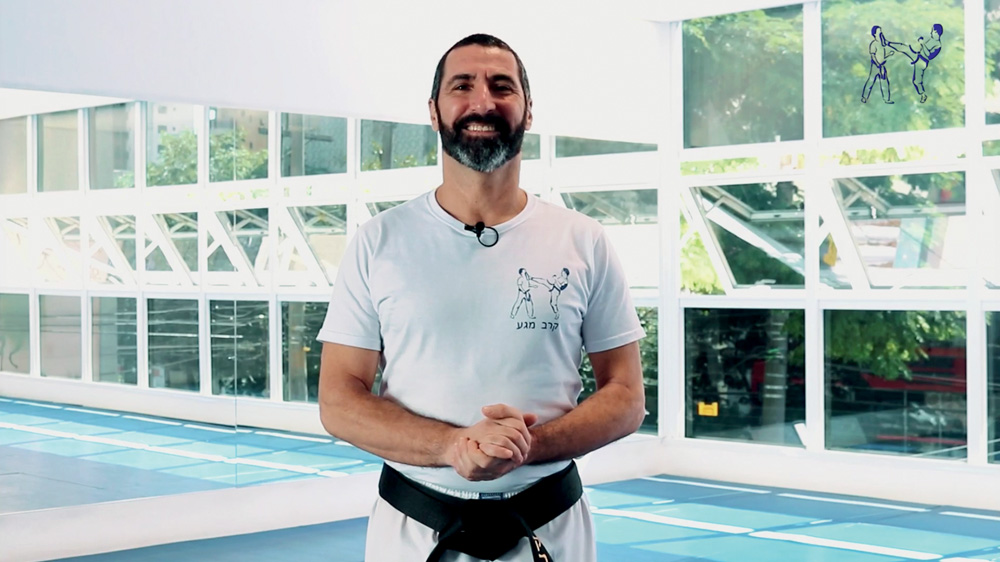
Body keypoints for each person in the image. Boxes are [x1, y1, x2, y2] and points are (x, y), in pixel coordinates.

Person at [316, 33, 646, 562]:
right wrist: (453, 448)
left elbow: (626, 396)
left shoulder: (583, 241)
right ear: (434, 110)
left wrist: (524, 447)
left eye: (501, 86)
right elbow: (338, 401)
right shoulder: (380, 242)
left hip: (550, 526)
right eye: (462, 85)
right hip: (414, 527)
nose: (482, 102)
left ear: (528, 109)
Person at [889, 24, 943, 103]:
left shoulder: (937, 45)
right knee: (904, 50)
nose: (931, 32)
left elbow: (929, 55)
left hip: (922, 62)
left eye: (933, 31)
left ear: (938, 33)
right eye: (932, 30)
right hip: (918, 57)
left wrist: (922, 44)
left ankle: (922, 95)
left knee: (916, 81)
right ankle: (889, 43)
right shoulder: (931, 40)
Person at [862, 25, 896, 104]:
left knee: (885, 82)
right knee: (871, 81)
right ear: (874, 34)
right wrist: (878, 65)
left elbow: (882, 56)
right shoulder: (873, 44)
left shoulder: (882, 44)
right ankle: (864, 97)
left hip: (882, 65)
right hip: (875, 65)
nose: (880, 33)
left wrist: (889, 55)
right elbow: (873, 56)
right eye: (878, 31)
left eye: (880, 31)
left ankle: (887, 99)